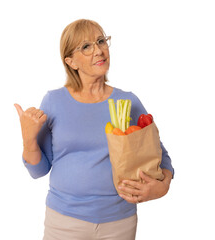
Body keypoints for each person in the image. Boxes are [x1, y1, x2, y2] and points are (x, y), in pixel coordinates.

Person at [14, 19, 174, 240]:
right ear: (71, 61)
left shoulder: (127, 102)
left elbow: (160, 156)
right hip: (64, 222)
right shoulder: (54, 101)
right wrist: (28, 138)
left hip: (119, 221)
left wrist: (162, 187)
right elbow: (38, 170)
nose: (98, 50)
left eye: (101, 41)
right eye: (86, 46)